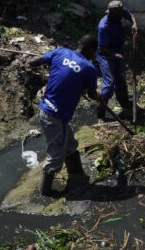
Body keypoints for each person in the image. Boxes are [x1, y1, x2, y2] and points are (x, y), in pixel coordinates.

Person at [28, 34, 99, 196]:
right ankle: (45, 192)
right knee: (55, 158)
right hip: (55, 116)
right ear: (91, 50)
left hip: (47, 109)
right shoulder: (88, 69)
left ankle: (77, 176)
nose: (94, 56)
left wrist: (29, 64)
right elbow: (92, 94)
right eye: (94, 52)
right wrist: (101, 99)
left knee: (70, 144)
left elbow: (35, 61)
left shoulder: (61, 52)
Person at [96, 0, 145, 120]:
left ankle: (124, 103)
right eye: (119, 15)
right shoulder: (104, 26)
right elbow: (103, 49)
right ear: (112, 14)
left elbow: (129, 15)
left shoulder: (121, 12)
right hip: (107, 55)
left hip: (118, 50)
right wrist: (121, 57)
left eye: (121, 14)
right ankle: (101, 112)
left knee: (120, 78)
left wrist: (134, 24)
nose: (121, 17)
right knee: (109, 84)